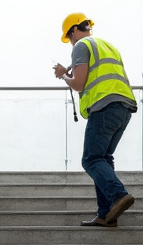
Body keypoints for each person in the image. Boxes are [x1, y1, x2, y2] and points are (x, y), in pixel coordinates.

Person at [53, 12, 137, 227]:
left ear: (73, 31)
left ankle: (119, 195)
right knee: (104, 159)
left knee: (90, 160)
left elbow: (79, 84)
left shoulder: (81, 46)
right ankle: (106, 214)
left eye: (69, 37)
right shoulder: (108, 45)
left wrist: (64, 74)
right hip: (124, 107)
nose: (70, 42)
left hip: (104, 107)